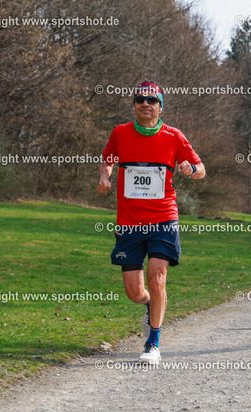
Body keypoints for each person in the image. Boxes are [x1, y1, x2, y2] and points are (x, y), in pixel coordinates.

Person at [97, 81, 205, 364]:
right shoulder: (120, 133)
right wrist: (105, 176)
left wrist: (191, 168)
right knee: (135, 292)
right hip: (129, 222)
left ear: (160, 107)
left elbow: (201, 169)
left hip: (163, 218)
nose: (145, 104)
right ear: (134, 105)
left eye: (152, 100)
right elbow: (107, 159)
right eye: (140, 99)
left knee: (157, 278)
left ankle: (153, 343)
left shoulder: (173, 136)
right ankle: (149, 306)